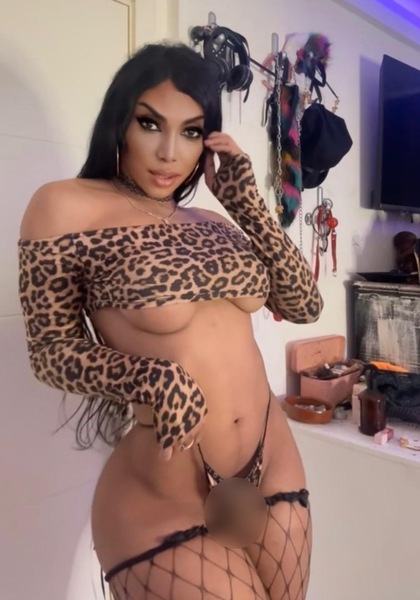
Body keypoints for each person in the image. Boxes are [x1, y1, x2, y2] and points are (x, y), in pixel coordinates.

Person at [18, 42, 323, 600]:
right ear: (120, 122)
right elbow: (50, 350)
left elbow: (305, 305)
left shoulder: (212, 221)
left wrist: (246, 205)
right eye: (150, 124)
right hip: (165, 488)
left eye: (190, 132)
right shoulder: (64, 206)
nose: (168, 152)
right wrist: (150, 378)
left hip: (272, 459)